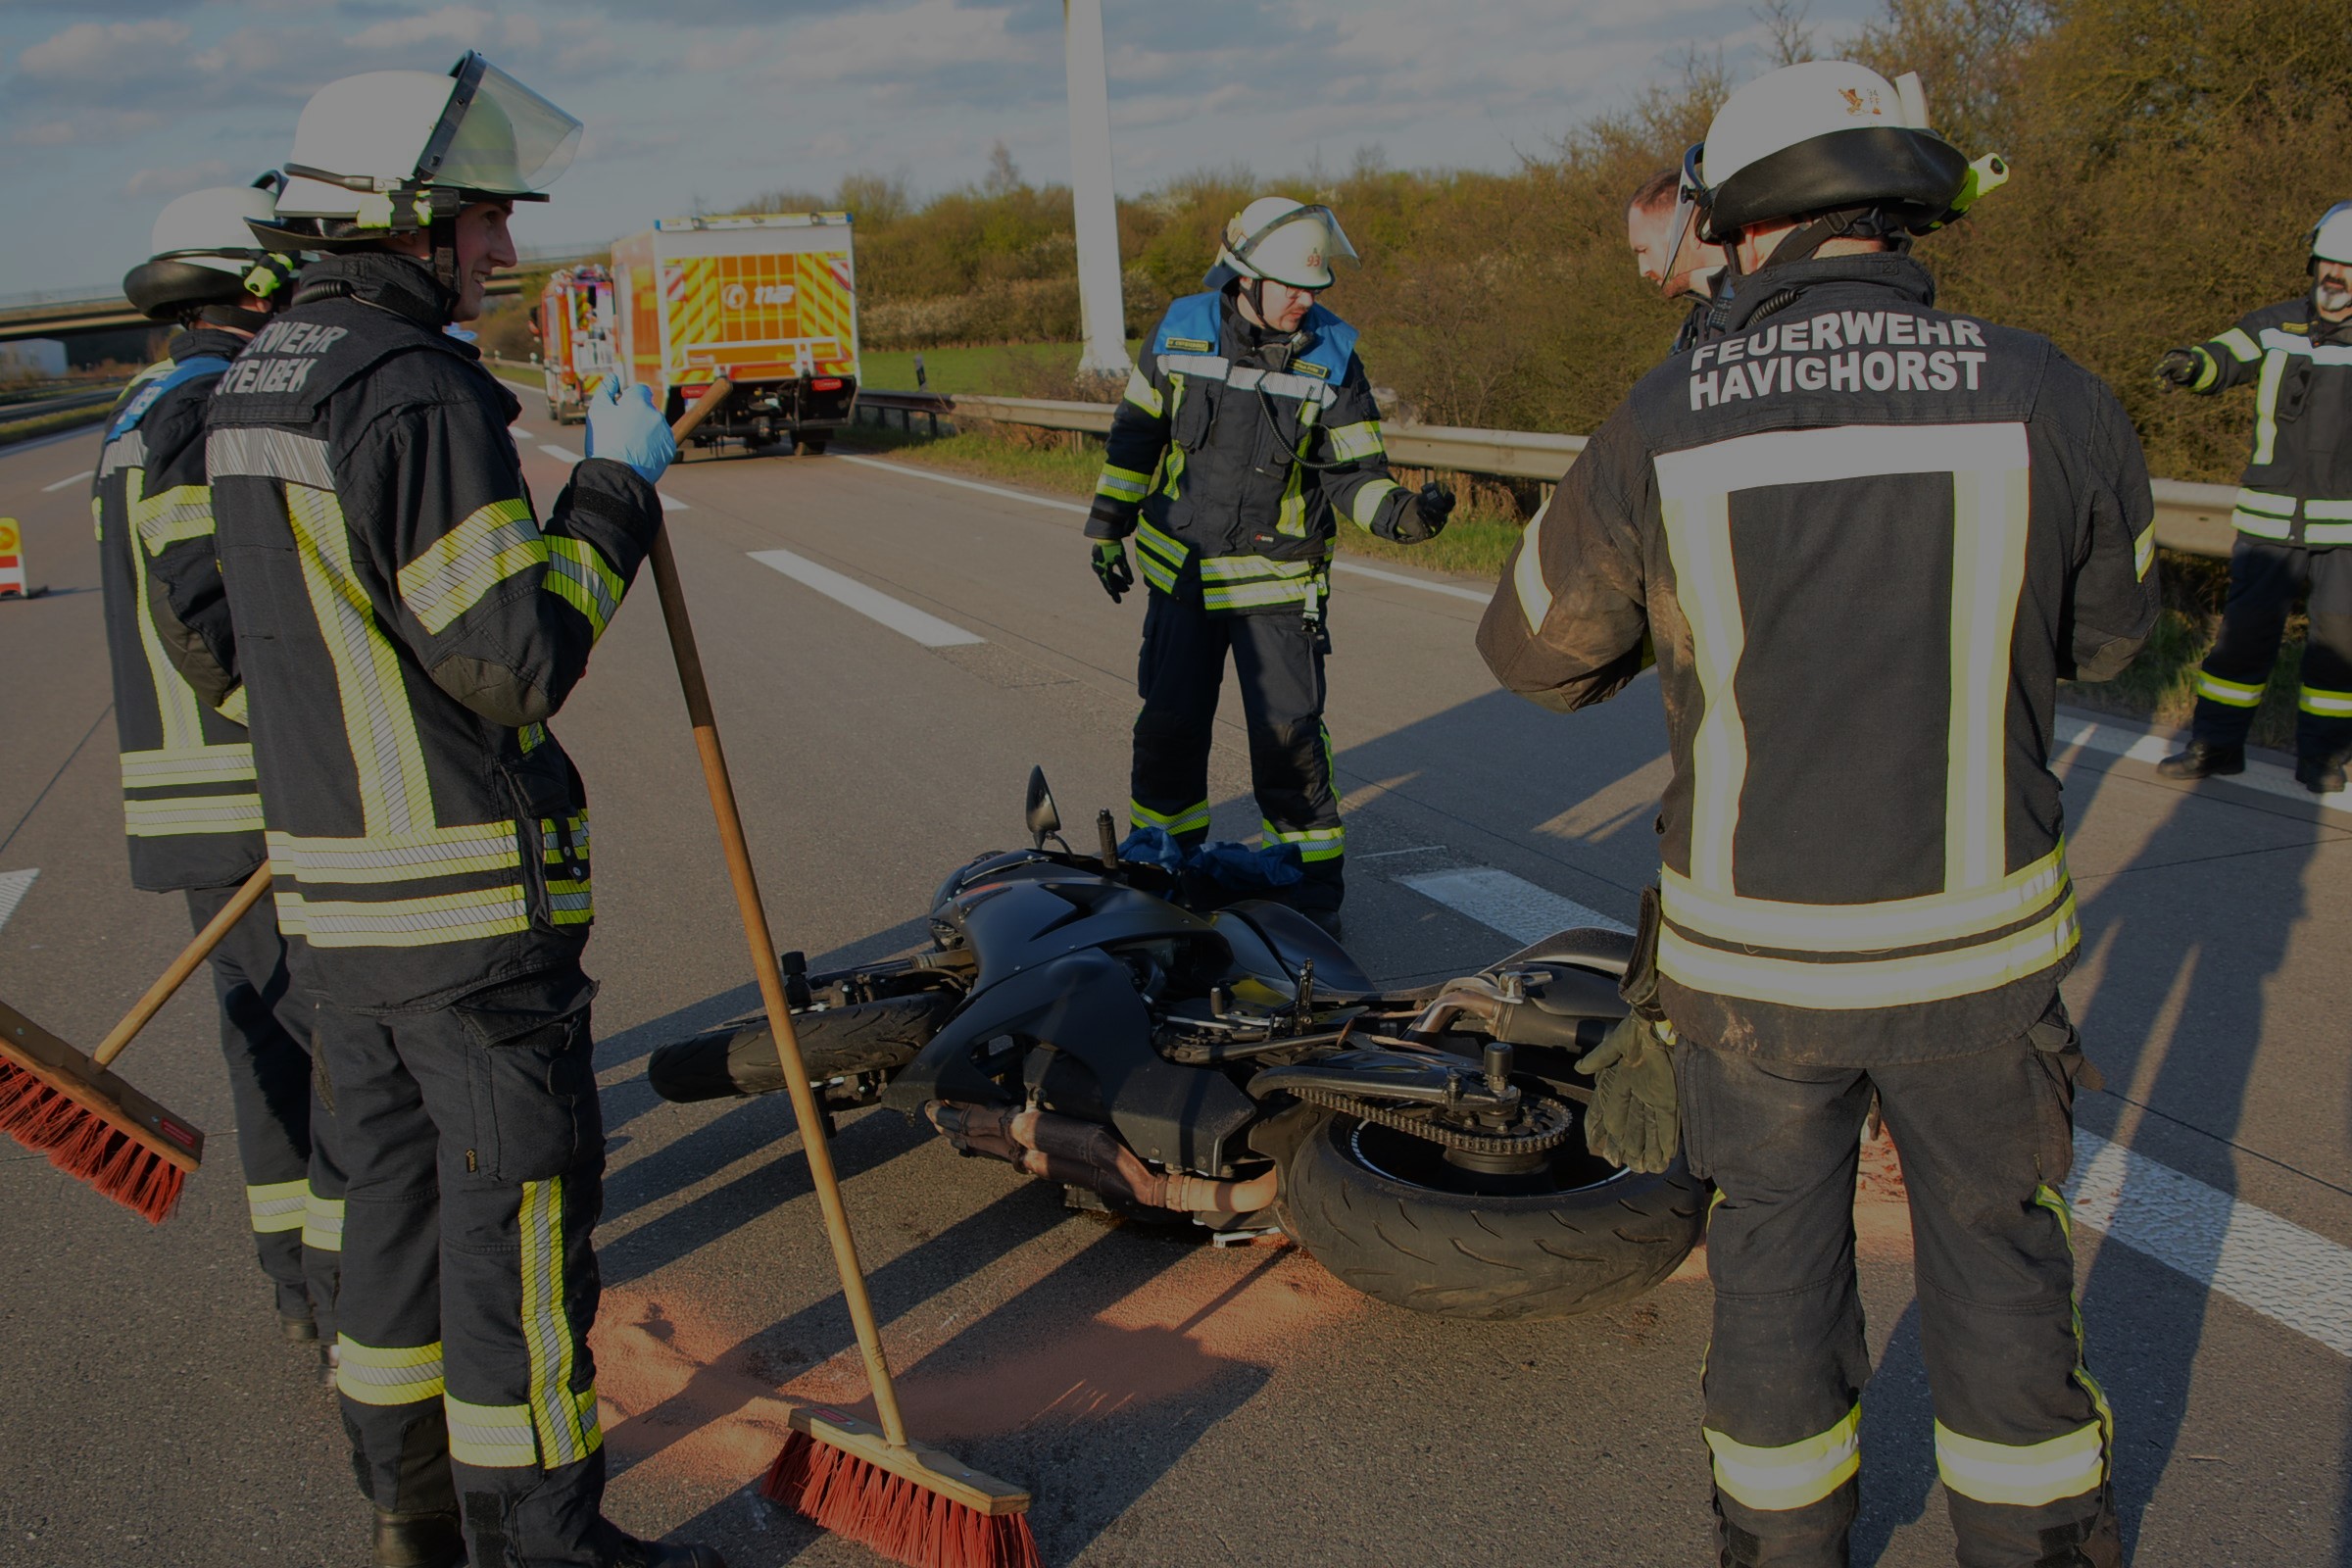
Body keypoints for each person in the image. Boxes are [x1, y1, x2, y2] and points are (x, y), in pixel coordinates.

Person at [1479, 60, 2153, 1568]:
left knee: (1777, 1273)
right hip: (1977, 969)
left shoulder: (1666, 417)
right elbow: (2109, 642)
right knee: (2000, 1267)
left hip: (1757, 979)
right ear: (1903, 206)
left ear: (1745, 219)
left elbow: (1528, 656)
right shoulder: (2051, 389)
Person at [197, 54, 717, 1568]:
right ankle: (545, 1548)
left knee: (393, 1232)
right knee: (520, 1250)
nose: (500, 251)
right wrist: (615, 488)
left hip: (340, 917)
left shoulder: (260, 379)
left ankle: (410, 1521)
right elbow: (509, 656)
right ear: (407, 221)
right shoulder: (413, 389)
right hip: (468, 924)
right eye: (481, 222)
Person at [96, 181, 339, 1361]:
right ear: (249, 290)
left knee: (268, 1051)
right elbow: (204, 612)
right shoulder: (205, 407)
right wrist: (295, 733)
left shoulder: (141, 406)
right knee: (333, 1052)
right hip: (251, 790)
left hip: (191, 791)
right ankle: (355, 1286)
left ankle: (303, 1275)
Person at [1083, 196, 1454, 931]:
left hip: (1279, 586)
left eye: (1314, 288)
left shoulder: (1334, 354)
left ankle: (1311, 898)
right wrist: (1107, 525)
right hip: (1183, 580)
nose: (1303, 302)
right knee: (1169, 732)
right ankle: (1162, 873)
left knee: (1289, 742)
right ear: (1242, 277)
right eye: (1290, 286)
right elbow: (1137, 436)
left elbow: (1353, 472)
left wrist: (1403, 515)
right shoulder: (1183, 330)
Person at [2154, 201, 2352, 795]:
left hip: (2346, 533)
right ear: (2312, 263)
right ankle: (2216, 746)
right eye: (2327, 263)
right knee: (2242, 639)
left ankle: (2323, 757)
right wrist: (2193, 365)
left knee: (2339, 654)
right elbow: (2228, 355)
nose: (2335, 276)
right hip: (2268, 525)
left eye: (2348, 266)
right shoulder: (2277, 325)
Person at [1627, 166, 1725, 353]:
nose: (1643, 269)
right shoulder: (1697, 322)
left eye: (1643, 250)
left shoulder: (1761, 306)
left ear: (1680, 233)